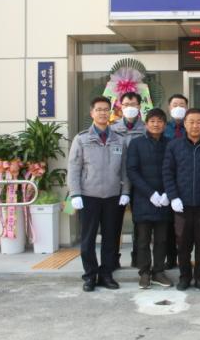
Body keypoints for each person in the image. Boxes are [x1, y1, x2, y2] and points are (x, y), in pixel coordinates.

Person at [68, 96, 130, 292]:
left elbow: (125, 169)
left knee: (111, 239)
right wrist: (75, 194)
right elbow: (74, 168)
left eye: (106, 109)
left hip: (113, 197)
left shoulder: (119, 139)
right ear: (92, 113)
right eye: (99, 109)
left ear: (110, 113)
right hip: (88, 197)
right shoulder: (81, 139)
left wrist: (125, 191)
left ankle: (106, 275)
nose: (103, 113)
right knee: (88, 239)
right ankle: (90, 276)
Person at [163, 108, 200, 292]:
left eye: (198, 122)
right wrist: (173, 197)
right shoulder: (174, 146)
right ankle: (184, 277)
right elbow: (167, 173)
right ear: (185, 124)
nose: (195, 125)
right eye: (191, 122)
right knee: (183, 244)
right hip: (181, 206)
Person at [126, 108, 173, 289]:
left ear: (164, 124)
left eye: (160, 121)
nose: (156, 124)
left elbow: (175, 169)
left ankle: (158, 271)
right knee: (143, 239)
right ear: (146, 124)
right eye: (152, 121)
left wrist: (168, 193)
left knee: (162, 239)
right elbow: (132, 171)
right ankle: (144, 272)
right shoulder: (136, 144)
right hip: (143, 198)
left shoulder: (171, 143)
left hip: (165, 199)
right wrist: (150, 193)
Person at [111, 92, 146, 269]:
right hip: (118, 183)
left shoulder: (147, 129)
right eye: (126, 105)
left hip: (140, 183)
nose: (129, 107)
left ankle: (138, 257)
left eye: (133, 104)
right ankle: (113, 259)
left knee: (139, 223)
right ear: (120, 107)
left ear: (139, 107)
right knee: (114, 222)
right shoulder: (113, 129)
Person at [162, 93, 188, 269]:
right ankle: (171, 257)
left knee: (186, 224)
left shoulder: (192, 126)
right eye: (175, 104)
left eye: (182, 105)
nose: (178, 107)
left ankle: (186, 257)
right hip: (168, 178)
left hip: (187, 179)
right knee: (168, 224)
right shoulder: (163, 127)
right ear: (169, 108)